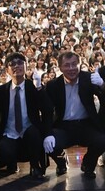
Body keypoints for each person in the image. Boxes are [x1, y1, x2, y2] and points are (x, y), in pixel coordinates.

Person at [43, 51, 105, 179]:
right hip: (63, 127)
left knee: (102, 140)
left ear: (80, 64)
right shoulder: (53, 85)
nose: (71, 68)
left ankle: (88, 164)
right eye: (67, 65)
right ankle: (61, 162)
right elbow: (47, 111)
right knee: (49, 143)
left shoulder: (89, 79)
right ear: (60, 67)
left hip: (86, 125)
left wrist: (102, 85)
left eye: (74, 64)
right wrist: (48, 133)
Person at [0, 53, 50, 179]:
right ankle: (11, 164)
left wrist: (39, 87)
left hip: (29, 131)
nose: (16, 66)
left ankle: (35, 165)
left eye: (20, 63)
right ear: (7, 70)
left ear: (26, 66)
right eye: (12, 64)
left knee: (34, 133)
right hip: (9, 132)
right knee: (5, 151)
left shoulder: (34, 87)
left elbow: (46, 109)